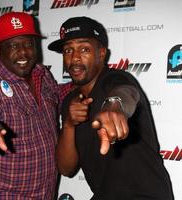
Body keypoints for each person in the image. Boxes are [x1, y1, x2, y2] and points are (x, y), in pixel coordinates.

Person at [48, 16, 174, 200]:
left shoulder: (114, 79)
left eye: (84, 49)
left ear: (101, 53)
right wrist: (68, 124)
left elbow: (126, 91)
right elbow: (66, 169)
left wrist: (114, 107)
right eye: (68, 50)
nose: (74, 58)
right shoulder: (69, 102)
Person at [0, 12, 71, 199]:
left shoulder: (41, 74)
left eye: (29, 44)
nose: (24, 52)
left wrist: (83, 85)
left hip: (42, 192)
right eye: (14, 45)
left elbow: (56, 96)